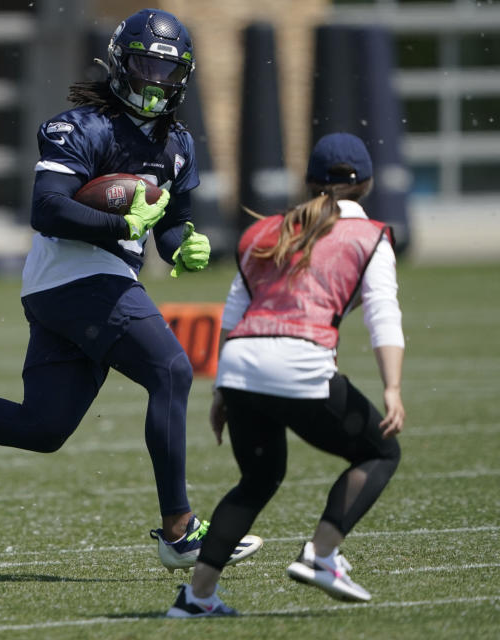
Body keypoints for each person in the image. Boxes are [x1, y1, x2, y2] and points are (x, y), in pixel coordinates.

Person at [0, 8, 261, 572]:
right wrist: (120, 226)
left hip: (87, 283)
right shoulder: (82, 127)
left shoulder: (177, 142)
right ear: (118, 64)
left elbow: (170, 221)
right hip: (73, 276)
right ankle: (179, 530)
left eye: (167, 71)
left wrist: (184, 243)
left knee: (43, 428)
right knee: (171, 370)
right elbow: (46, 208)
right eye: (144, 67)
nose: (155, 82)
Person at [166, 132, 405, 617]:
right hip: (298, 362)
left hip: (240, 364)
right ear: (369, 184)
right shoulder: (370, 235)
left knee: (258, 477)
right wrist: (393, 388)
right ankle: (321, 554)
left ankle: (197, 598)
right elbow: (384, 314)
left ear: (310, 181)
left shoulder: (270, 227)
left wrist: (221, 391)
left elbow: (235, 307)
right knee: (380, 453)